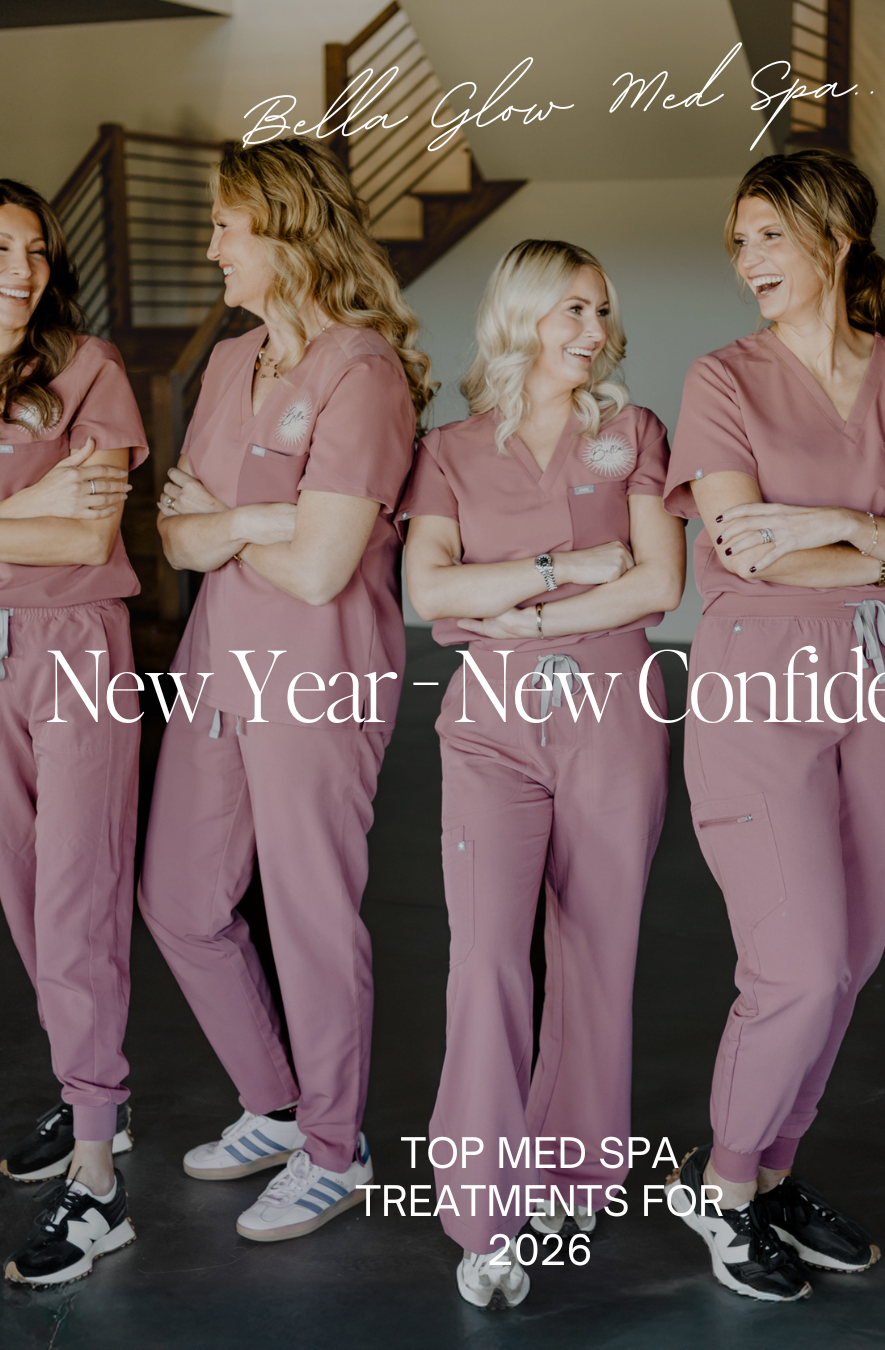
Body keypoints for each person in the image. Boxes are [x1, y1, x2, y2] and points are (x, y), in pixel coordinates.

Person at [662, 150, 885, 1301]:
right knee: (794, 965)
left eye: (769, 236)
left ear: (836, 235)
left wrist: (839, 526)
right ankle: (727, 1183)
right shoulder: (723, 379)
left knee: (849, 964)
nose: (746, 259)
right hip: (761, 688)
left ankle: (777, 1169)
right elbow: (749, 547)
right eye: (738, 238)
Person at [138, 139, 429, 1242]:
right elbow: (177, 533)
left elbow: (320, 570)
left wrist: (238, 527)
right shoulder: (226, 362)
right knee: (179, 896)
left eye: (223, 226)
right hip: (219, 659)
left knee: (310, 913)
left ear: (284, 230)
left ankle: (333, 1144)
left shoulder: (362, 369)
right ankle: (274, 1099)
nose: (210, 247)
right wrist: (269, 518)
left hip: (319, 672)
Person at [402, 239, 685, 1308]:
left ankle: (573, 1174)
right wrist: (565, 572)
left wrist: (507, 614)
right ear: (519, 315)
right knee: (485, 962)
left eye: (601, 311)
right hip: (488, 729)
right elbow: (429, 584)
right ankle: (485, 1212)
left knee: (595, 959)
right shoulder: (450, 449)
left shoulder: (638, 434)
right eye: (572, 307)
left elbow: (656, 580)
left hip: (614, 714)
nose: (594, 328)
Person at [0, 180, 145, 1286]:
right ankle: (85, 1087)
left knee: (74, 891)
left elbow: (92, 520)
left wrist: (54, 512)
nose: (23, 268)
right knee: (21, 895)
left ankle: (99, 1180)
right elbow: (54, 508)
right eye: (2, 248)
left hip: (78, 640)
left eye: (37, 250)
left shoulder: (88, 367)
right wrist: (32, 507)